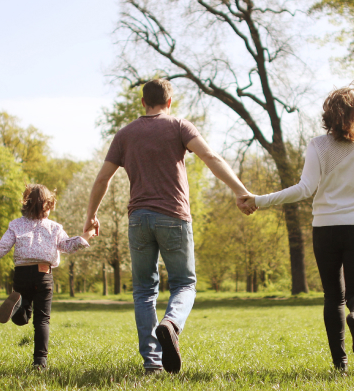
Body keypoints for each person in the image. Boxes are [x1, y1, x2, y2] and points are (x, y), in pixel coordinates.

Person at [85, 78, 254, 374]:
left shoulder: (125, 135)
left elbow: (102, 179)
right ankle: (171, 323)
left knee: (142, 290)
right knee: (184, 284)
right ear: (169, 101)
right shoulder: (178, 126)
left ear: (142, 102)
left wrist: (91, 215)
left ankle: (152, 363)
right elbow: (210, 157)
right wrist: (240, 190)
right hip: (173, 217)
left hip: (138, 219)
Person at [242, 84, 354, 373]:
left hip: (325, 230)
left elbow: (305, 189)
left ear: (329, 115)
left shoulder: (317, 145)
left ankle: (340, 364)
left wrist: (259, 200)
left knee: (333, 297)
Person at [0, 184, 89, 370]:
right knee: (42, 320)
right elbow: (67, 246)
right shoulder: (54, 228)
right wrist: (85, 237)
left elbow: (1, 247)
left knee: (22, 317)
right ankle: (40, 362)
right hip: (43, 275)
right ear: (47, 206)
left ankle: (17, 307)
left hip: (22, 274)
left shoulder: (16, 225)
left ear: (26, 205)